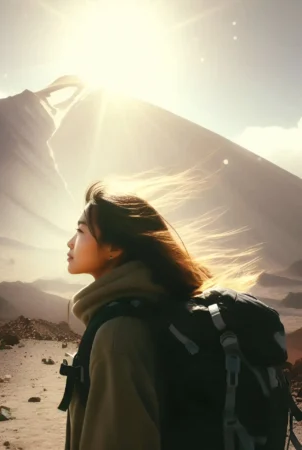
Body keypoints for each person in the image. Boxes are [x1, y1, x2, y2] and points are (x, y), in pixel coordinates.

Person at [63, 172, 259, 450]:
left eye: (81, 232)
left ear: (114, 248)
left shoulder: (117, 335)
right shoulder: (151, 309)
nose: (70, 242)